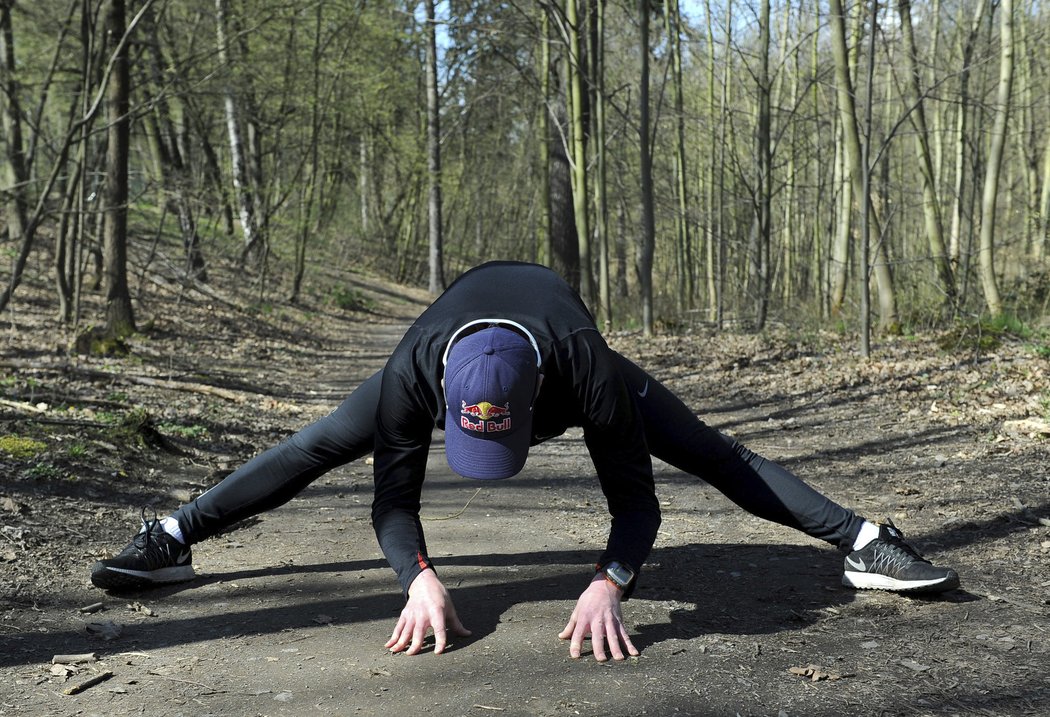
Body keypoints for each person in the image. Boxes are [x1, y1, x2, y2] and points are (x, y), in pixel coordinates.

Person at [91, 261, 959, 662]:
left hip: (563, 348)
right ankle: (172, 534)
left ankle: (865, 539)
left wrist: (610, 578)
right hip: (452, 344)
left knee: (710, 450)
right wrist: (417, 576)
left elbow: (638, 501)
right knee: (311, 445)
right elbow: (394, 502)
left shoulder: (586, 364)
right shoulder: (411, 371)